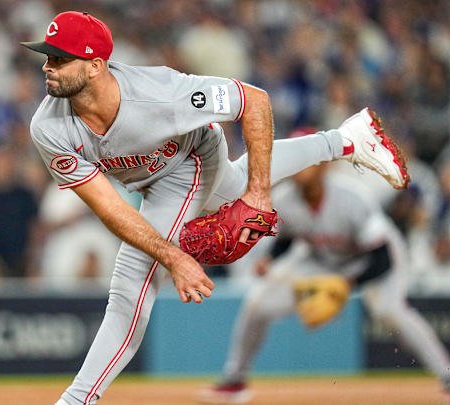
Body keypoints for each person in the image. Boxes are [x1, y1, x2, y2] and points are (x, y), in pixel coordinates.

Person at [21, 11, 409, 405]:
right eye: (47, 57)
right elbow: (109, 208)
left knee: (132, 280)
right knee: (236, 182)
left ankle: (76, 400)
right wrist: (174, 255)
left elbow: (254, 101)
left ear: (95, 66)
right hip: (150, 178)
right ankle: (345, 140)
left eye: (59, 58)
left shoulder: (161, 93)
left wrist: (258, 195)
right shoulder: (48, 127)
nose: (47, 66)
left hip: (192, 157)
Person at [200, 134, 450, 403]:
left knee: (390, 311)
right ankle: (235, 379)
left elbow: (382, 257)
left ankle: (446, 373)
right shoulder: (285, 199)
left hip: (375, 258)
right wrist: (270, 259)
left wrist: (347, 284)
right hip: (321, 259)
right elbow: (288, 237)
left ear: (323, 165)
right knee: (258, 303)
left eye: (307, 162)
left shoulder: (351, 198)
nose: (300, 169)